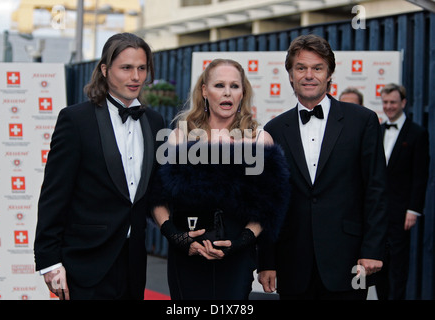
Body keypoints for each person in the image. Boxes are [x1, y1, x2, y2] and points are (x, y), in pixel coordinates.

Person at [34, 33, 165, 300]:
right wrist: (49, 261)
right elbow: (54, 195)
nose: (136, 77)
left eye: (142, 68)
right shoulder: (75, 120)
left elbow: (158, 190)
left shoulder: (154, 121)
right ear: (105, 70)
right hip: (85, 261)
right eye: (126, 68)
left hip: (135, 262)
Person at [258, 34, 388, 300]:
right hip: (293, 261)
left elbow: (377, 188)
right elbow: (269, 201)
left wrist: (372, 249)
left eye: (317, 68)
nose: (309, 75)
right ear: (290, 75)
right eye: (301, 68)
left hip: (350, 259)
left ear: (330, 74)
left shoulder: (362, 121)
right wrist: (267, 261)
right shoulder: (273, 129)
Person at [150, 59, 290, 300]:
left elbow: (269, 207)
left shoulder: (259, 140)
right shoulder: (178, 137)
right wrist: (178, 238)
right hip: (187, 257)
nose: (227, 92)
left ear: (242, 93)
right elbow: (156, 197)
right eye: (219, 85)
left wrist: (240, 242)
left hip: (237, 259)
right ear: (204, 91)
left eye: (235, 86)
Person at [375, 83, 429, 300]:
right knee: (379, 265)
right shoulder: (376, 131)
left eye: (393, 102)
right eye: (385, 102)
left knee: (398, 267)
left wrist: (413, 209)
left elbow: (420, 175)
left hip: (400, 213)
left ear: (403, 103)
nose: (389, 106)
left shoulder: (417, 133)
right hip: (377, 214)